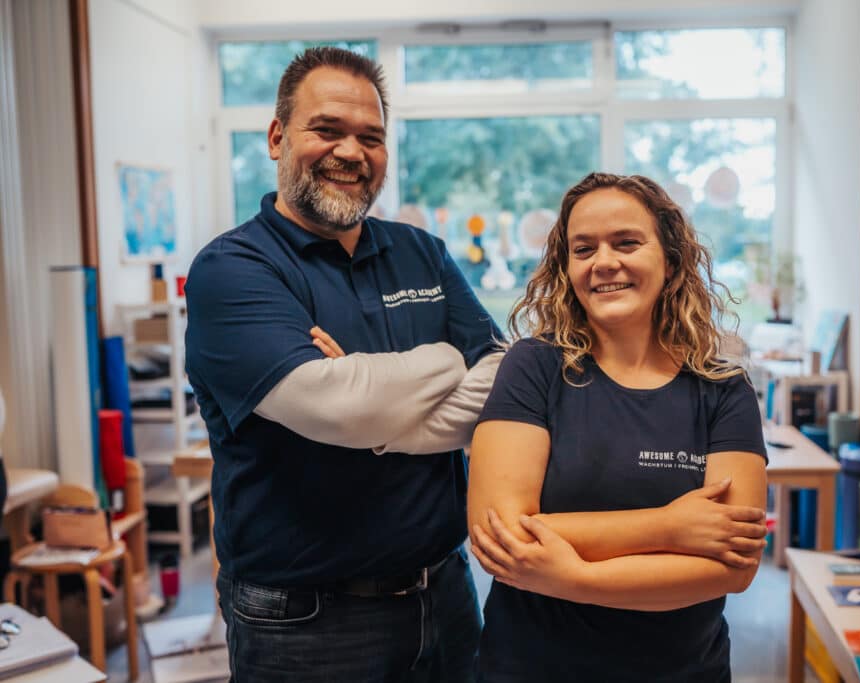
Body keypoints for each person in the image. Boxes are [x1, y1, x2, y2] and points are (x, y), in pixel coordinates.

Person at [184, 46, 503, 682]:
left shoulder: (422, 252)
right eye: (327, 129)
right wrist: (442, 360)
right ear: (278, 138)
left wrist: (369, 398)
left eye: (371, 137)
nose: (351, 152)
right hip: (303, 624)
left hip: (444, 594)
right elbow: (336, 405)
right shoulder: (233, 270)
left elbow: (502, 376)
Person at [467, 172, 769, 682]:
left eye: (626, 242)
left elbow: (733, 568)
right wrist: (668, 528)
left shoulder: (722, 389)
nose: (604, 262)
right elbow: (500, 535)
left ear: (670, 260)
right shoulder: (534, 367)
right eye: (584, 249)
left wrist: (571, 575)